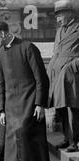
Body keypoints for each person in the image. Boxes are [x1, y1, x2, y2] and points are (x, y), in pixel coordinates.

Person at [0, 21, 52, 161]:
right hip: (10, 106)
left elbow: (41, 79)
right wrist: (1, 110)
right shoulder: (1, 53)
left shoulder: (28, 47)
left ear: (3, 33)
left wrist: (40, 104)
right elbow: (0, 84)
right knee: (11, 141)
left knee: (25, 134)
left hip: (30, 102)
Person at [48, 0, 79, 152]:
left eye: (60, 14)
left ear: (70, 14)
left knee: (73, 108)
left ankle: (75, 141)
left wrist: (72, 66)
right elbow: (56, 52)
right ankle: (67, 138)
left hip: (72, 75)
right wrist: (50, 70)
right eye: (57, 15)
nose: (58, 18)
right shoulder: (59, 31)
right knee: (61, 108)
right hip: (57, 74)